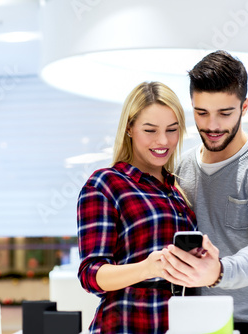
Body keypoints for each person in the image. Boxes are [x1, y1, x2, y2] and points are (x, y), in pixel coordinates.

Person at [161, 50, 248, 334]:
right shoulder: (182, 167)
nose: (212, 125)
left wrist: (218, 272)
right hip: (189, 322)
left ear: (244, 106)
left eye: (224, 113)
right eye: (202, 112)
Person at [77, 81, 197, 333]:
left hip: (180, 322)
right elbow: (91, 275)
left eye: (172, 129)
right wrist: (149, 268)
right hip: (126, 323)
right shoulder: (106, 184)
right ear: (130, 128)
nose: (163, 140)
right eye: (150, 130)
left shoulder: (177, 190)